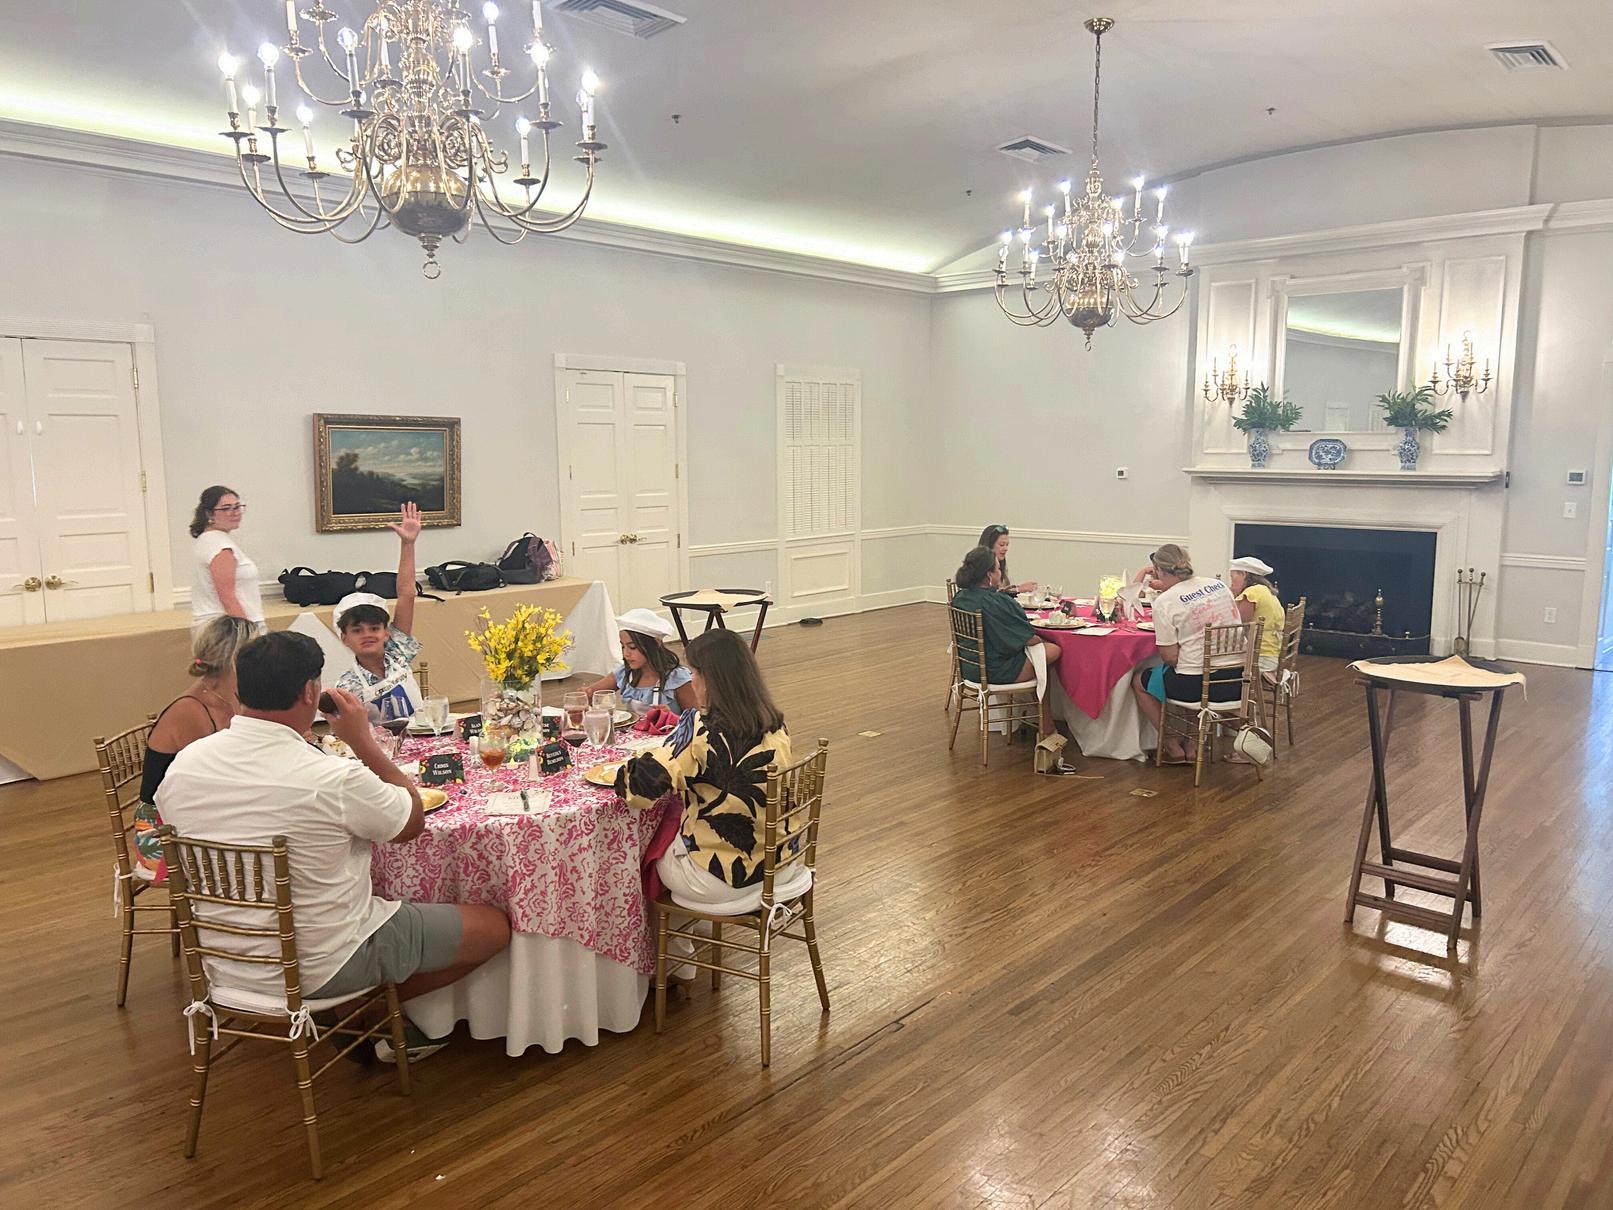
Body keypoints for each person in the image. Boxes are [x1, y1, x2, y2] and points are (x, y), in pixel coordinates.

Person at [156, 631, 510, 1063]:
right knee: (493, 928)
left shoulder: (185, 766)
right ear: (311, 692)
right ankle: (366, 1012)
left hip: (221, 959)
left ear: (238, 688)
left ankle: (352, 1012)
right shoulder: (332, 777)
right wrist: (363, 742)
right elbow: (411, 822)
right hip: (323, 962)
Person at [130, 616, 257, 880]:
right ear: (236, 658)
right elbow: (208, 785)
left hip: (198, 813)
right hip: (162, 831)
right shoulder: (191, 710)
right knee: (271, 850)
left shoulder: (231, 697)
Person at [950, 545, 1080, 774]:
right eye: (998, 569)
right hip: (997, 671)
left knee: (1042, 654)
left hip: (970, 669)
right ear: (989, 574)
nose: (1000, 572)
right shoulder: (993, 603)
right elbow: (1028, 638)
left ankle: (1041, 719)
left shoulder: (960, 597)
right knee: (1052, 652)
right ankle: (1046, 723)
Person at [1129, 544, 1245, 764]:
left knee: (1140, 680)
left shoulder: (1165, 602)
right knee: (1191, 667)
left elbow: (1170, 657)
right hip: (1236, 680)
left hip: (1196, 687)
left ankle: (1172, 746)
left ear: (1159, 571)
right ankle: (1192, 744)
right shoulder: (1218, 585)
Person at [333, 503, 423, 720]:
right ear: (344, 638)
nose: (368, 635)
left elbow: (407, 595)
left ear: (386, 633)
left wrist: (408, 544)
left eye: (374, 628)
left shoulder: (398, 652)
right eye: (357, 630)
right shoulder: (345, 688)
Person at [587, 608, 697, 713]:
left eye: (633, 647)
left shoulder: (677, 678)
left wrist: (672, 717)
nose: (626, 653)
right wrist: (583, 697)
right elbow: (590, 692)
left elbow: (697, 719)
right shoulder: (625, 673)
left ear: (656, 643)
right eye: (622, 647)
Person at [189, 485, 265, 636]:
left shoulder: (210, 540)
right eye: (226, 508)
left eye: (237, 507)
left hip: (221, 626)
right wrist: (247, 633)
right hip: (228, 629)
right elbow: (227, 597)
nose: (235, 512)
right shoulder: (219, 545)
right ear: (209, 513)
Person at [1228, 556, 1284, 674]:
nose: (1231, 583)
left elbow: (1238, 624)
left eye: (1232, 577)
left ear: (1244, 574)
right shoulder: (1264, 590)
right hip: (1270, 652)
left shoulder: (1252, 593)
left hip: (1258, 657)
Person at [977, 524, 1038, 595]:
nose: (1006, 549)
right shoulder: (979, 570)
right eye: (1001, 545)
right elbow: (989, 596)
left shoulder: (1002, 567)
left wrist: (1018, 588)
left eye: (1007, 545)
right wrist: (1018, 589)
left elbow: (1002, 592)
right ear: (989, 546)